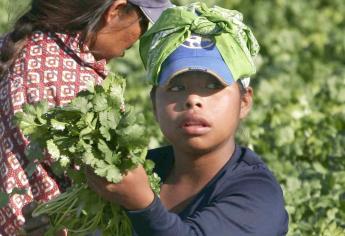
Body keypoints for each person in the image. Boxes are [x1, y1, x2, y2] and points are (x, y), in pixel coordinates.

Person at [86, 2, 289, 236]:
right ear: (154, 101)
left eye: (213, 86)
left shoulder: (257, 193)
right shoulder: (137, 171)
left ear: (244, 102)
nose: (193, 99)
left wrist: (143, 205)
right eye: (176, 87)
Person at [0, 0, 172, 235]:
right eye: (143, 21)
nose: (141, 35)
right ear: (116, 11)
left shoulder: (14, 46)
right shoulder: (81, 88)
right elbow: (113, 187)